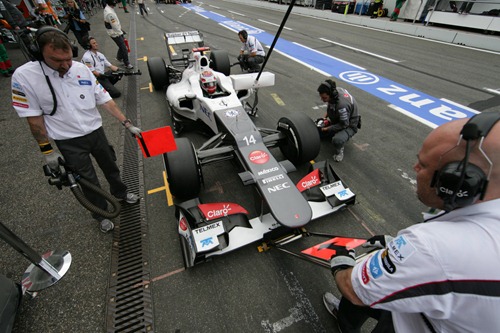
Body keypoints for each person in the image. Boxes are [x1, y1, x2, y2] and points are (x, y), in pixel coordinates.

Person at [323, 112, 500, 332]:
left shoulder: (432, 247)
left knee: (360, 277)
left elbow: (353, 289)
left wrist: (342, 263)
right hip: (442, 313)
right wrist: (394, 247)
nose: (415, 168)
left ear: (457, 184)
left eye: (423, 165)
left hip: (415, 323)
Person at [11, 27, 142, 233]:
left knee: (110, 165)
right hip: (68, 140)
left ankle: (120, 192)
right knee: (88, 180)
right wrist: (48, 152)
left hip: (95, 131)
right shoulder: (24, 77)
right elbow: (34, 120)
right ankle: (101, 213)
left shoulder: (81, 69)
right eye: (56, 60)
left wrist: (127, 123)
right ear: (38, 53)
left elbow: (105, 100)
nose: (64, 65)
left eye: (68, 59)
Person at [316, 79, 360, 162]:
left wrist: (327, 128)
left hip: (349, 125)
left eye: (324, 98)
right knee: (319, 129)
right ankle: (332, 131)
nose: (322, 100)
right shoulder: (335, 92)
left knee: (337, 140)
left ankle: (340, 151)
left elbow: (344, 125)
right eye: (321, 97)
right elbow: (331, 106)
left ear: (331, 95)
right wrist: (324, 118)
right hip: (340, 118)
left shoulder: (342, 106)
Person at [104, 0, 133, 69]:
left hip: (115, 31)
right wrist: (120, 32)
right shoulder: (109, 13)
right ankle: (127, 63)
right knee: (124, 48)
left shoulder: (108, 9)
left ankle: (119, 57)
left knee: (121, 45)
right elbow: (114, 25)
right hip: (115, 33)